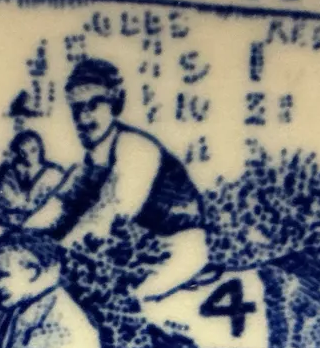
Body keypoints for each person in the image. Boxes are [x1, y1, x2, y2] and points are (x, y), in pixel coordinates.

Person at [30, 57, 210, 300]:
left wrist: (50, 252)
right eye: (77, 109)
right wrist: (20, 238)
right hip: (132, 253)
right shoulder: (89, 162)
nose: (83, 118)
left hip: (176, 249)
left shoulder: (136, 148)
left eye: (94, 105)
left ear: (115, 103)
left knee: (114, 301)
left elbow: (108, 217)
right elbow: (57, 207)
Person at [0, 130, 73, 229]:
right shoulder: (12, 174)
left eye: (33, 150)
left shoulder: (53, 173)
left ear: (40, 148)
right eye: (23, 153)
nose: (28, 156)